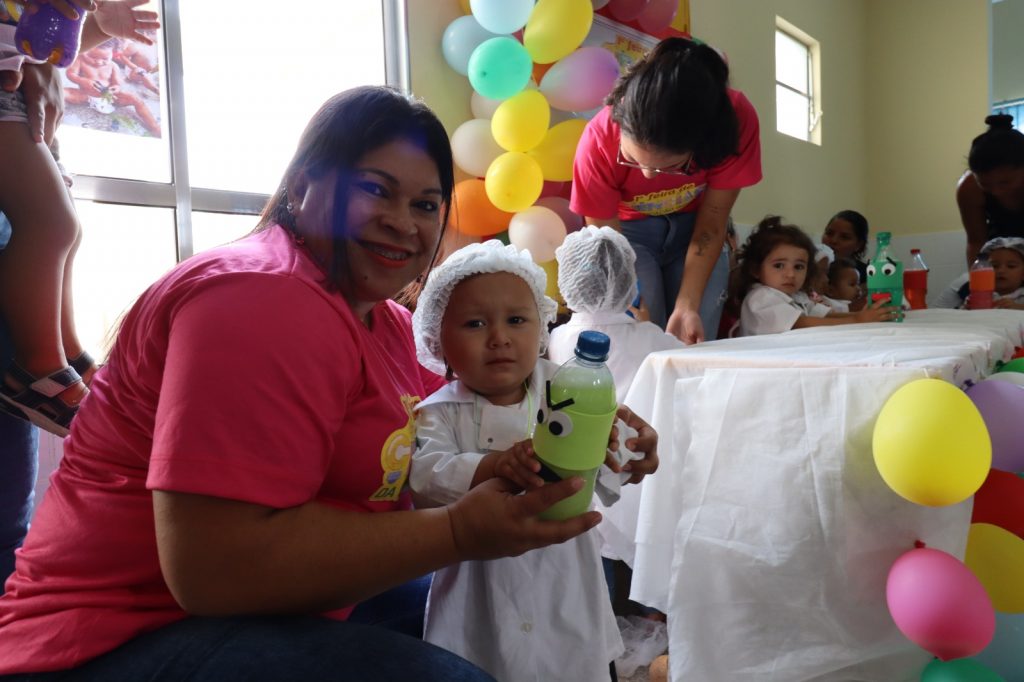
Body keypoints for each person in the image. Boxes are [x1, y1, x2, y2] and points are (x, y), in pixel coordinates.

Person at [0, 86, 657, 680]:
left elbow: (490, 402)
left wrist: (588, 421)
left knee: (502, 619)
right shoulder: (259, 298)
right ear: (306, 184)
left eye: (426, 203)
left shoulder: (391, 327)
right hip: (111, 639)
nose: (405, 221)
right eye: (376, 189)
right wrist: (458, 532)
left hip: (287, 605)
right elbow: (214, 571)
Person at [409, 239, 657, 682]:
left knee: (571, 663)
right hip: (477, 586)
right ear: (438, 341)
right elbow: (427, 478)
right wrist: (493, 467)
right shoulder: (438, 412)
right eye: (475, 323)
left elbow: (600, 462)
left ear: (541, 329)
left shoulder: (570, 390)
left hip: (566, 573)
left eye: (517, 320)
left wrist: (625, 451)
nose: (500, 337)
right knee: (482, 665)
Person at [0, 0, 158, 437]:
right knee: (53, 226)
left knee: (66, 228)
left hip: (21, 97)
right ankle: (36, 369)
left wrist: (101, 28)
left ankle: (64, 351)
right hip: (7, 94)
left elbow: (41, 44)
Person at [570, 36, 762, 344]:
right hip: (627, 234)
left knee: (695, 333)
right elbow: (609, 243)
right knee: (643, 335)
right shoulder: (597, 140)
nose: (646, 176)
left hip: (696, 225)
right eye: (631, 159)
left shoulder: (736, 120)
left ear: (704, 146)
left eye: (670, 167)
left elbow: (712, 221)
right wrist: (633, 305)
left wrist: (688, 305)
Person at [549, 225, 683, 403]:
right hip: (637, 429)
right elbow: (689, 360)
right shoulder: (650, 337)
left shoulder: (556, 338)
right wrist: (646, 327)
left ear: (567, 284)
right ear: (629, 281)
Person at [737, 216, 893, 336]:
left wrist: (862, 315)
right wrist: (857, 320)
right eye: (779, 265)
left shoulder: (797, 296)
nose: (791, 274)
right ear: (756, 269)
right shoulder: (761, 297)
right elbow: (802, 323)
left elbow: (827, 316)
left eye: (799, 267)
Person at [956, 114, 1024, 266]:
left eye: (1005, 182)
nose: (996, 191)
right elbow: (975, 242)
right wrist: (978, 279)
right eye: (985, 184)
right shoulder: (969, 187)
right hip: (1000, 259)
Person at [65, 42, 161, 136]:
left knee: (136, 99)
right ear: (85, 51)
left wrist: (116, 88)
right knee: (61, 91)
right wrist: (83, 81)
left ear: (113, 53)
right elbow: (70, 74)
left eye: (105, 58)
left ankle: (154, 127)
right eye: (92, 57)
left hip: (110, 98)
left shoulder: (113, 66)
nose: (98, 62)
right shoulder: (80, 60)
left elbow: (118, 83)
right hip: (86, 95)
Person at [939, 237, 1024, 310]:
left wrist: (1018, 307)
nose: (1001, 270)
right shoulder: (976, 296)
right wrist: (967, 308)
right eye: (994, 266)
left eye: (1011, 266)